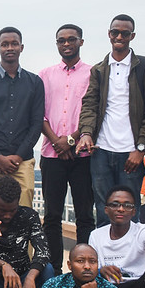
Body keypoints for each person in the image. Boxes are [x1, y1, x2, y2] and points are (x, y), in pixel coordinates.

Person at [77, 14, 145, 226]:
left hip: (131, 154)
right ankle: (105, 260)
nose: (119, 36)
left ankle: (129, 260)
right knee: (104, 213)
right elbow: (90, 104)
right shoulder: (99, 69)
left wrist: (140, 148)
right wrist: (86, 133)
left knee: (131, 214)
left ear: (132, 36)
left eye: (125, 33)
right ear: (109, 34)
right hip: (101, 151)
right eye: (115, 32)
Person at [39, 24, 95, 272]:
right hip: (51, 155)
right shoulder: (45, 74)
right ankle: (54, 269)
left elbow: (94, 113)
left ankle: (83, 268)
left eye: (71, 39)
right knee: (52, 215)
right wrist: (57, 142)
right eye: (61, 40)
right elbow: (38, 114)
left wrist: (70, 140)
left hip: (82, 155)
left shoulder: (94, 74)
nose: (66, 44)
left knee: (84, 215)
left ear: (81, 42)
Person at [0, 27, 44, 208]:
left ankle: (24, 237)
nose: (10, 48)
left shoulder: (35, 82)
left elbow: (36, 124)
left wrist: (19, 156)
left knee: (27, 196)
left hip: (23, 157)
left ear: (22, 47)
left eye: (14, 43)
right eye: (4, 44)